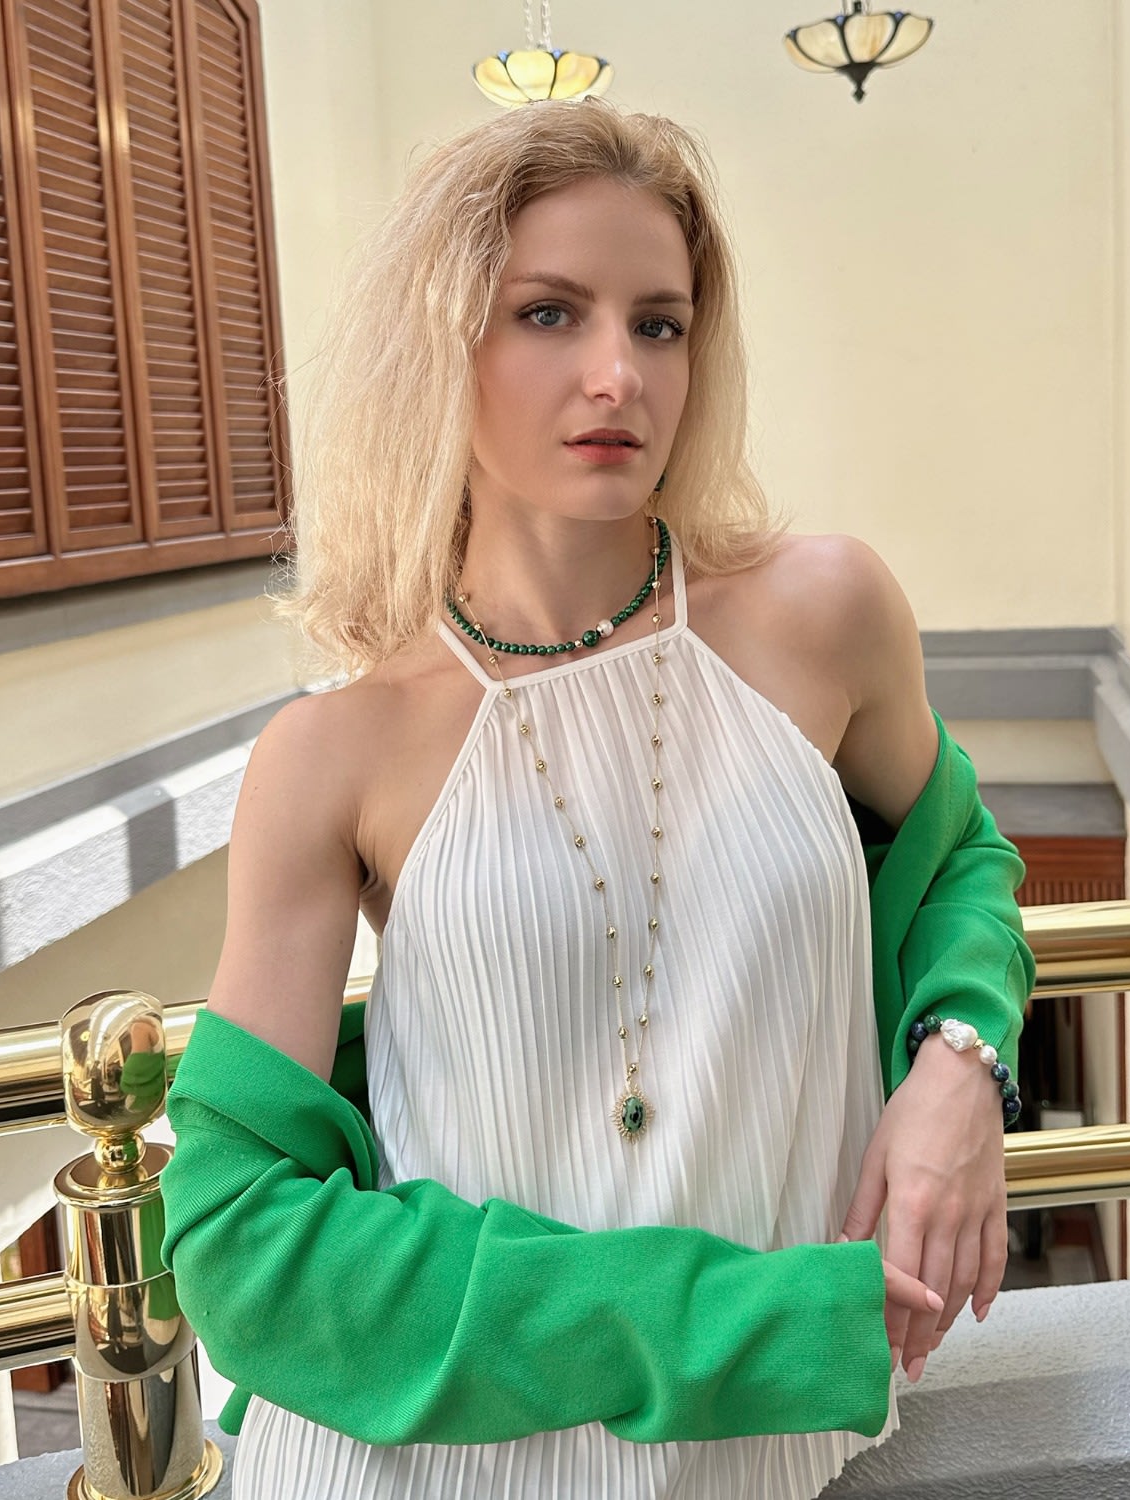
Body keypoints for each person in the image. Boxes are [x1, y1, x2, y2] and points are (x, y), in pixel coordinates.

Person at [159, 99, 1031, 1500]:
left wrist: (961, 1065)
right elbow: (240, 1241)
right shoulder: (336, 752)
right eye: (549, 314)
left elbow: (958, 862)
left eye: (659, 324)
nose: (619, 374)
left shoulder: (823, 616)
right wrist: (743, 1325)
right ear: (442, 341)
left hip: (765, 1459)